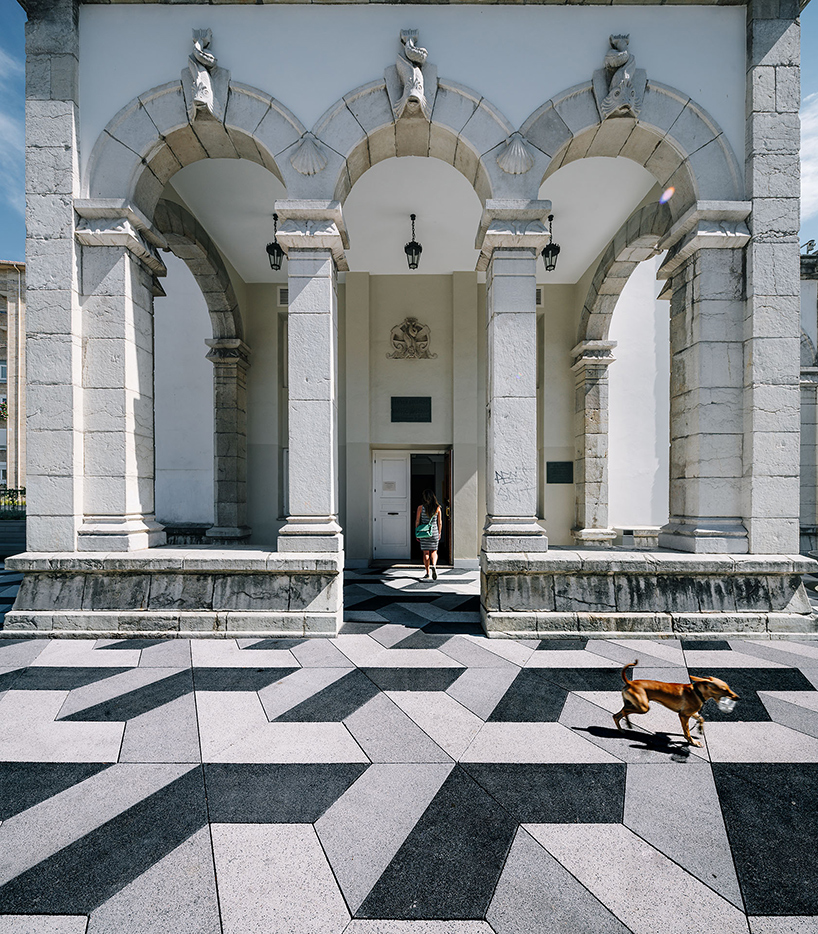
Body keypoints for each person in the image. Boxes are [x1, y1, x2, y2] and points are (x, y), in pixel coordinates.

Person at [415, 489, 442, 580]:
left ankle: (427, 572)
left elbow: (417, 521)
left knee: (425, 553)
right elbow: (440, 522)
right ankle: (433, 565)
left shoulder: (420, 508)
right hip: (434, 531)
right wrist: (439, 533)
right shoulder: (437, 508)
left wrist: (417, 532)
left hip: (424, 532)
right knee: (434, 551)